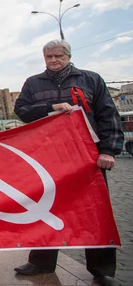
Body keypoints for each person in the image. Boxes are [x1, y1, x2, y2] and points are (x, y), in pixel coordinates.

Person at [13, 40, 123, 286]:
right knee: (45, 207)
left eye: (58, 56)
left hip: (87, 157)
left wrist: (108, 151)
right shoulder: (33, 83)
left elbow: (108, 115)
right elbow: (21, 110)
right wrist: (50, 107)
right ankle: (40, 262)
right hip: (49, 156)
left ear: (69, 56)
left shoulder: (90, 80)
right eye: (49, 57)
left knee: (94, 211)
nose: (53, 60)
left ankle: (102, 270)